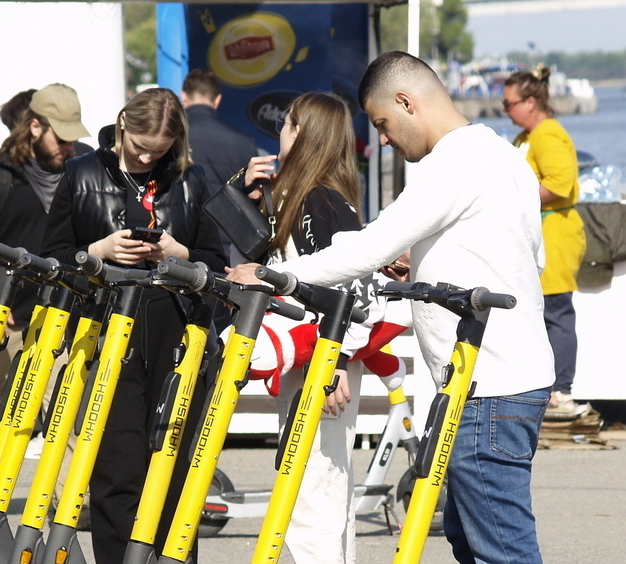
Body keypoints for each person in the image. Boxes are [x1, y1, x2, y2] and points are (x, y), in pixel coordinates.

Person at [229, 51, 555, 563]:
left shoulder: (451, 163)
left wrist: (277, 276)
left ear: (406, 101)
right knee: (472, 541)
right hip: (515, 377)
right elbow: (525, 255)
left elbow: (367, 246)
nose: (382, 139)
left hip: (487, 385)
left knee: (501, 550)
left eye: (382, 123)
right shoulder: (504, 156)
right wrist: (422, 261)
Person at [40, 87, 226, 564]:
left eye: (159, 150)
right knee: (115, 469)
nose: (147, 156)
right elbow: (52, 259)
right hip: (105, 327)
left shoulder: (190, 179)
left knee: (173, 466)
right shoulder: (80, 173)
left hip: (176, 329)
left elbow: (217, 265)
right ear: (122, 122)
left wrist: (177, 254)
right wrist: (99, 252)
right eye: (140, 144)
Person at [229, 92, 407, 564]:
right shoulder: (305, 195)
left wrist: (332, 366)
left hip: (323, 360)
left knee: (313, 488)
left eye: (288, 125)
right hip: (315, 356)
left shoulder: (320, 201)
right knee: (315, 485)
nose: (280, 132)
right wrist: (243, 192)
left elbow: (350, 291)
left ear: (306, 135)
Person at [0, 83, 90, 515]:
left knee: (64, 409)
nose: (68, 146)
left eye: (73, 137)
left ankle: (64, 503)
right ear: (34, 127)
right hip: (7, 313)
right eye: (60, 137)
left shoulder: (82, 170)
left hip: (65, 311)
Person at [503, 66, 588, 417]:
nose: (504, 110)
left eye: (509, 104)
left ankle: (562, 390)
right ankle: (541, 386)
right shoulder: (526, 137)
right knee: (537, 313)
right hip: (535, 233)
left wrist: (514, 201)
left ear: (531, 101)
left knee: (556, 312)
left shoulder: (547, 134)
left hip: (555, 232)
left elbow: (559, 183)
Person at [181, 69, 258, 264]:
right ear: (217, 100)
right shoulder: (243, 141)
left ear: (183, 97)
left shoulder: (174, 138)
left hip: (184, 246)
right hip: (229, 247)